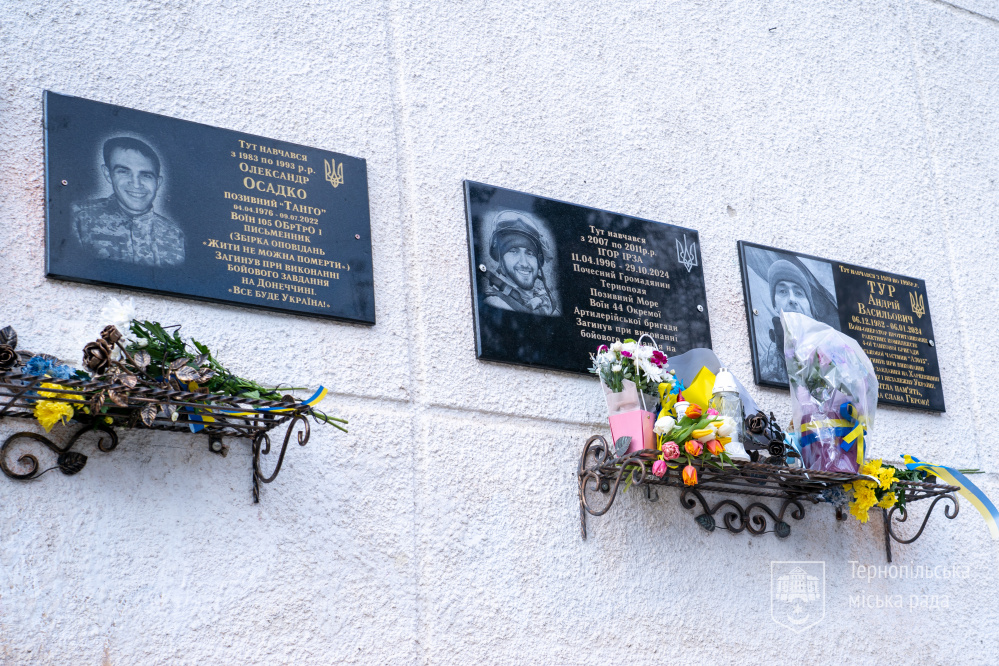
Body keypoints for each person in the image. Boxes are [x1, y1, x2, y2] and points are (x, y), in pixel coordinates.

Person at [72, 136, 185, 267]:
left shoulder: (174, 234)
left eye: (146, 175)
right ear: (108, 174)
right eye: (124, 172)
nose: (136, 184)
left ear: (158, 183)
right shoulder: (78, 217)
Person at [483, 211, 559, 316]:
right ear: (501, 258)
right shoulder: (494, 303)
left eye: (530, 253)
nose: (524, 263)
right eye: (513, 251)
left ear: (539, 260)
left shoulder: (547, 303)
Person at [761, 260, 813, 383]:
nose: (792, 299)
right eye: (783, 291)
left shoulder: (832, 354)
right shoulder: (767, 363)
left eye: (799, 293)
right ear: (774, 305)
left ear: (809, 306)